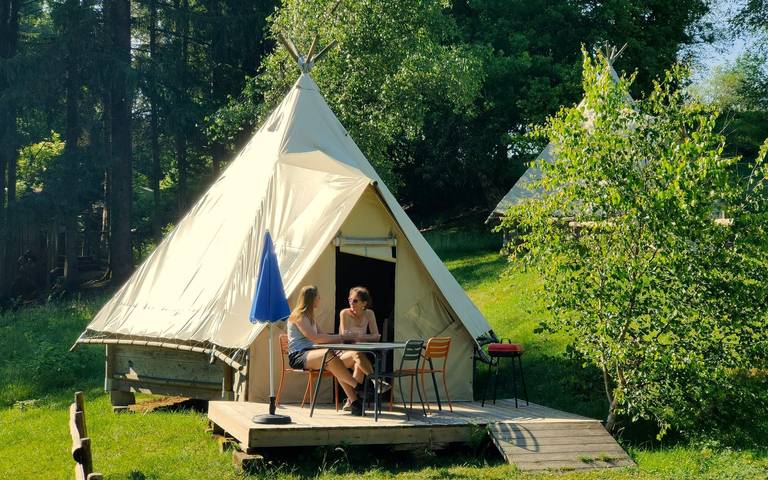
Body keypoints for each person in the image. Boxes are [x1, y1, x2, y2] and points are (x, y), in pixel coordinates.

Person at [287, 285, 367, 416]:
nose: (320, 299)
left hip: (315, 354)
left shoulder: (311, 317)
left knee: (354, 355)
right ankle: (359, 389)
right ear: (311, 299)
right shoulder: (298, 316)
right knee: (328, 355)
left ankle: (355, 402)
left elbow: (324, 337)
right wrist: (341, 337)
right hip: (299, 356)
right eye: (318, 297)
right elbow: (316, 338)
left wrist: (344, 339)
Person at [339, 286, 390, 410]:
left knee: (359, 364)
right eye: (350, 300)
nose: (351, 303)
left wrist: (360, 337)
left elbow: (376, 336)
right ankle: (376, 381)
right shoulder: (345, 313)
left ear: (364, 303)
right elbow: (345, 337)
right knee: (357, 354)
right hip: (342, 354)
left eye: (355, 300)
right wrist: (364, 337)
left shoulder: (369, 313)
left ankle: (352, 400)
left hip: (359, 353)